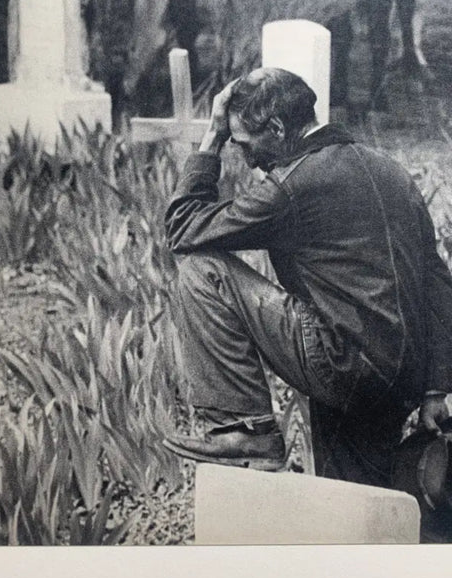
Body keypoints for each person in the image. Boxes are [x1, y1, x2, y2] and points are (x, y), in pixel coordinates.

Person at [162, 68, 452, 496]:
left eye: (243, 143)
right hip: (399, 381)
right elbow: (436, 281)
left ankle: (245, 430)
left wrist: (211, 140)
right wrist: (435, 387)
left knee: (203, 269)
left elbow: (183, 230)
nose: (247, 159)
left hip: (341, 363)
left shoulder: (294, 184)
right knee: (357, 504)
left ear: (278, 128)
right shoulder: (392, 172)